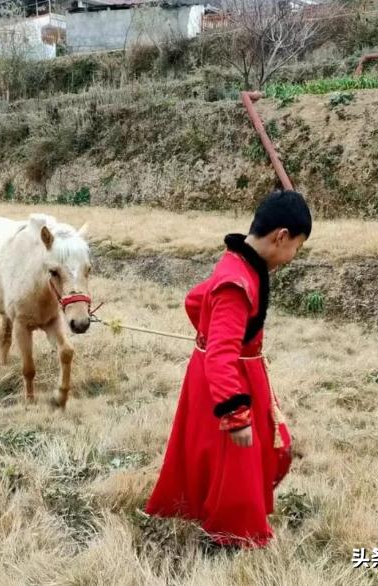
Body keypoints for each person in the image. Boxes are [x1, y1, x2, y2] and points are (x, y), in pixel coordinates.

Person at [145, 190, 312, 548]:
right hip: (228, 380)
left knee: (245, 451)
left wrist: (208, 333)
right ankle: (234, 533)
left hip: (230, 373)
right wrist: (235, 413)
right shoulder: (236, 282)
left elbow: (195, 299)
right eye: (296, 247)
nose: (293, 256)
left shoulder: (239, 265)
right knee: (236, 456)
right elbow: (221, 353)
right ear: (281, 236)